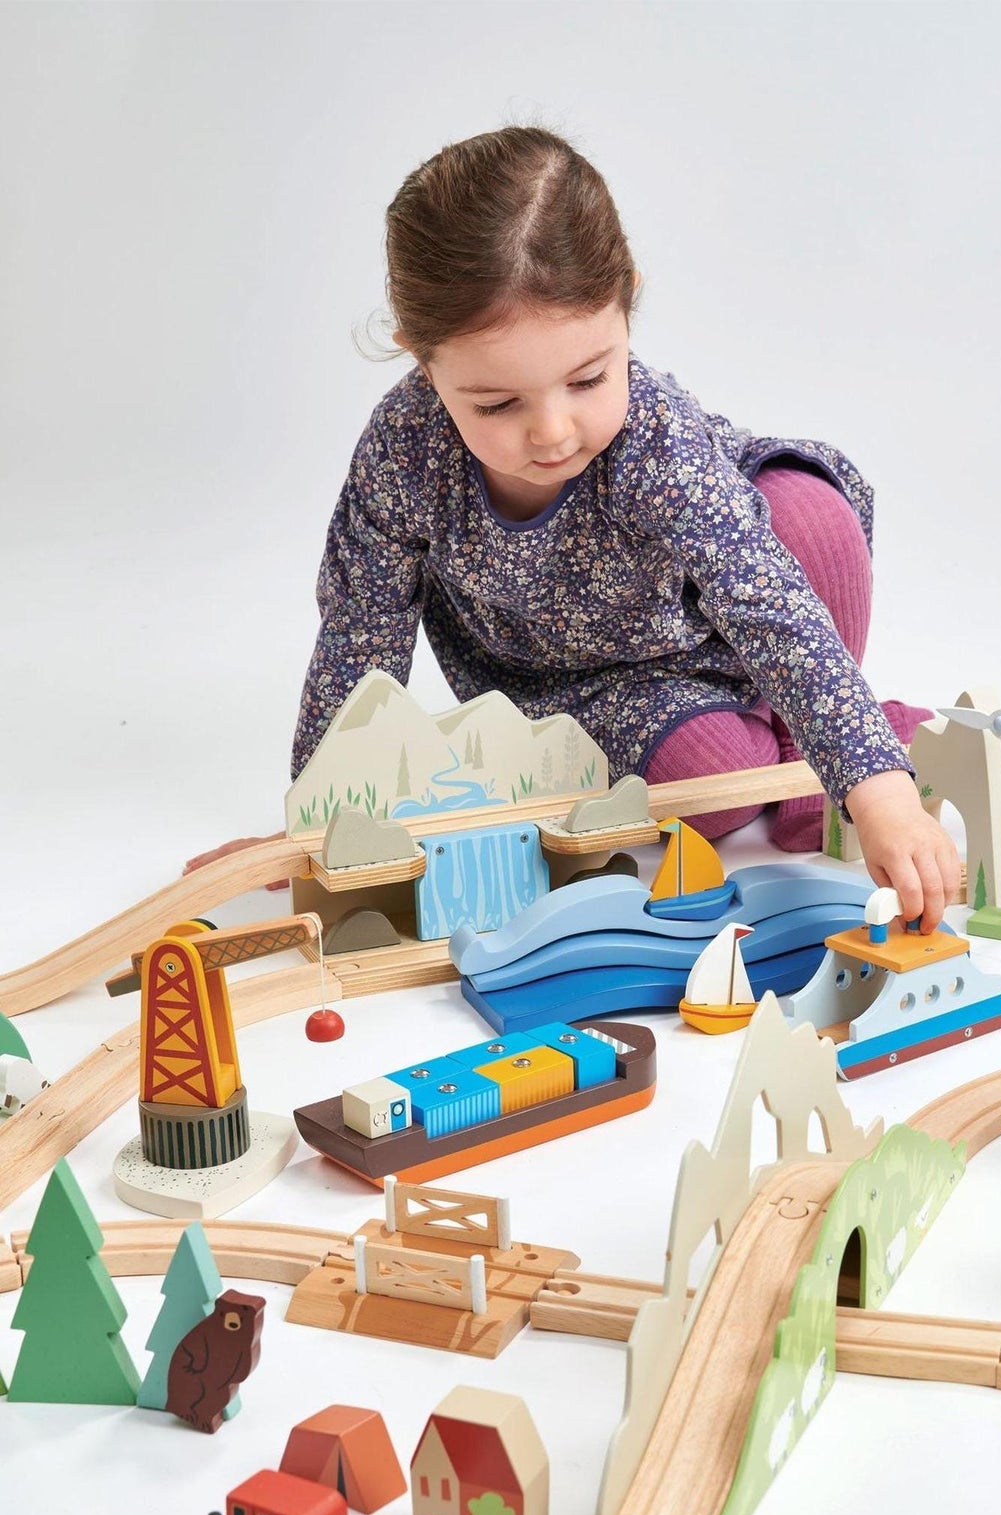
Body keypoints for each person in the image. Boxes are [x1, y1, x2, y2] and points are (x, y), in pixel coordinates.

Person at [200, 124, 959, 926]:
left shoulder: (655, 437)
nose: (554, 431)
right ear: (421, 359)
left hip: (730, 602)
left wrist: (879, 794)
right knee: (706, 794)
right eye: (496, 404)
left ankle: (833, 747)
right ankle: (821, 733)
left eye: (590, 378)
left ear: (625, 300)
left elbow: (769, 601)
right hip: (586, 683)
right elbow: (360, 637)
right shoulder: (405, 452)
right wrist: (317, 825)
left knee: (810, 515)